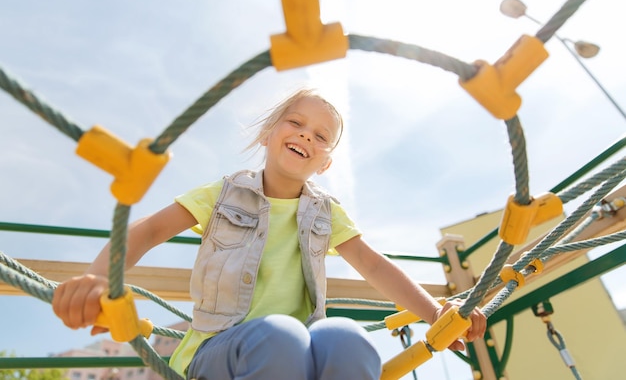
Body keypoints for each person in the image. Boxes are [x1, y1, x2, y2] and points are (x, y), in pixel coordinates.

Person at [52, 88, 487, 380]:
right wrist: (96, 280)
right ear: (267, 133)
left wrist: (435, 313)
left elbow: (374, 265)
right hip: (219, 353)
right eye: (295, 122)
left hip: (301, 355)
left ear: (325, 163)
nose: (305, 135)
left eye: (321, 136)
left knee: (346, 337)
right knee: (280, 335)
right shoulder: (223, 195)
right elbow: (147, 231)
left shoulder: (324, 212)